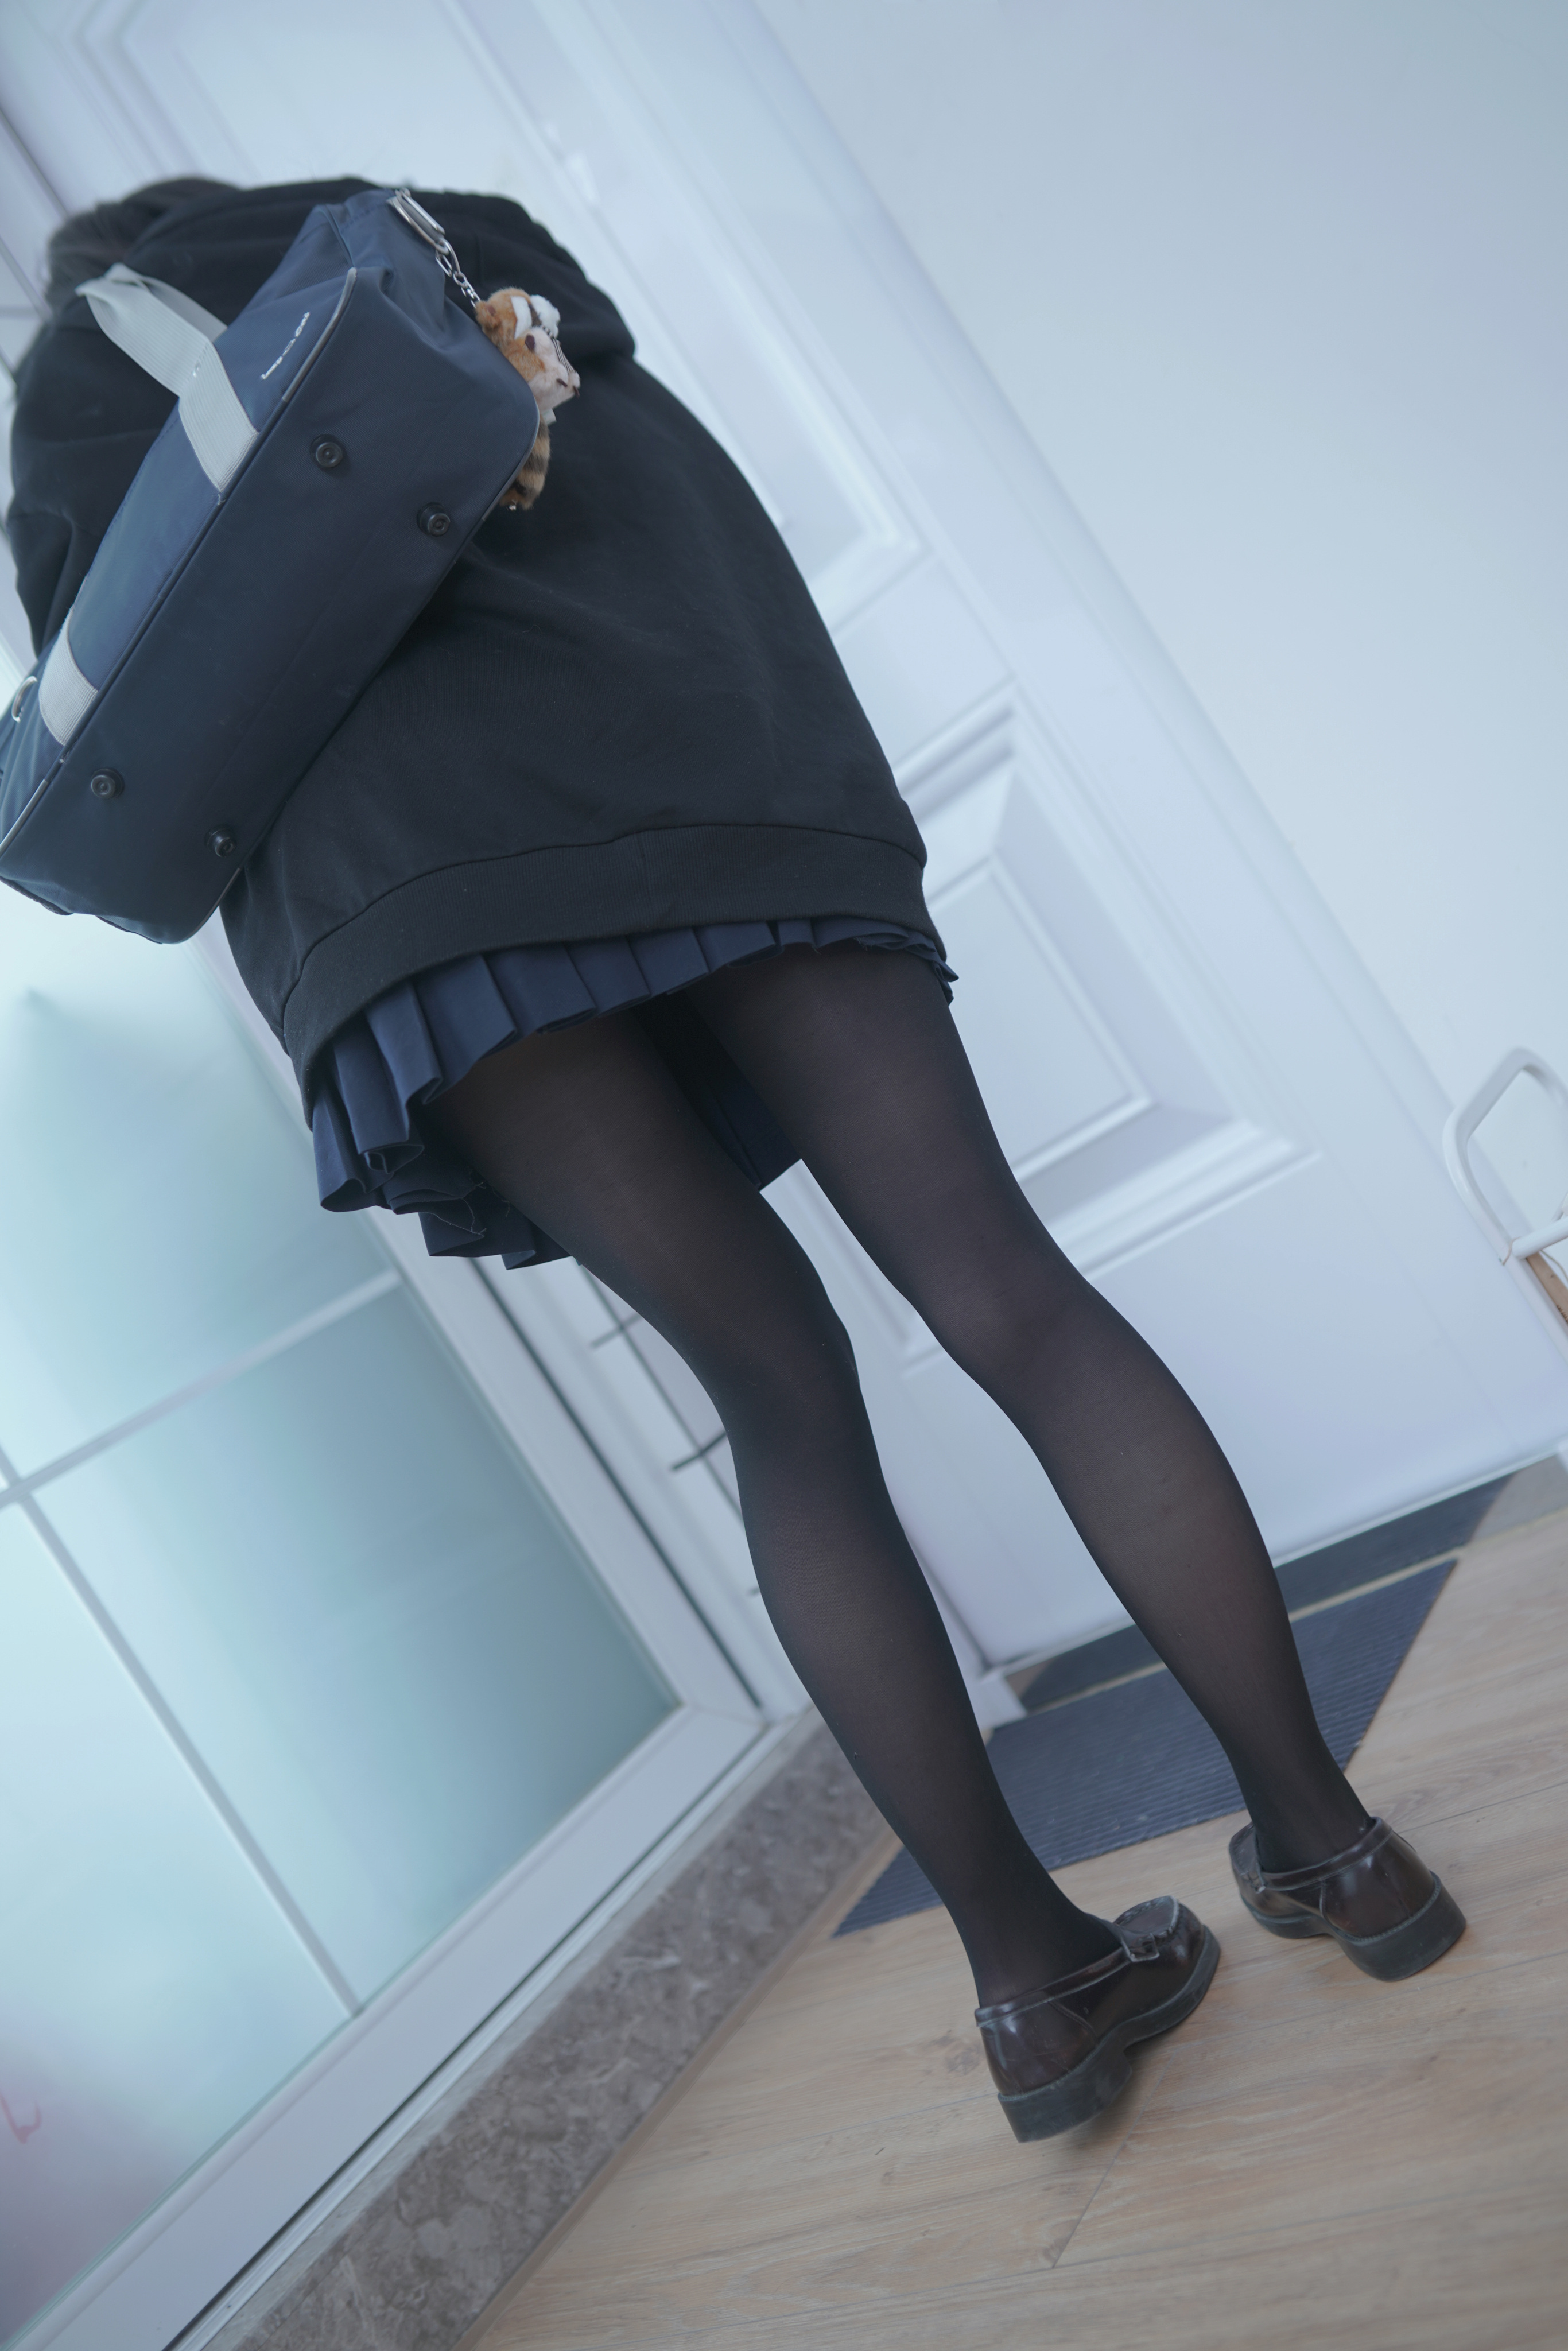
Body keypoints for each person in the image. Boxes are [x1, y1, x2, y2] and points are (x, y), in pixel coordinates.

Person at [8, 176, 1464, 2143]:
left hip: (409, 911)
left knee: (777, 1405)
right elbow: (688, 510)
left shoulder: (75, 397)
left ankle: (1030, 1990)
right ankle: (1335, 1850)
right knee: (1012, 1296)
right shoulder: (420, 234)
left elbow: (134, 720)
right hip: (697, 782)